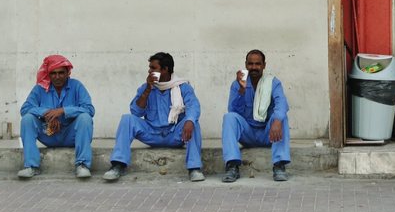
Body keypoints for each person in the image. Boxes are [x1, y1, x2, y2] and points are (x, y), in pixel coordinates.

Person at [103, 52, 203, 182]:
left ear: (165, 69)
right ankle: (118, 165)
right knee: (127, 119)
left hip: (175, 134)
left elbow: (194, 105)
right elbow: (136, 112)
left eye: (153, 68)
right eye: (150, 68)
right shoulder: (145, 88)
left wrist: (189, 120)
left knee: (193, 122)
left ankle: (194, 168)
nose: (149, 71)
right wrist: (147, 90)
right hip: (151, 133)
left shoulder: (183, 87)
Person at [17, 54, 95, 180]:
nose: (57, 77)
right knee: (27, 119)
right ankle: (31, 166)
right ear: (49, 74)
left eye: (61, 73)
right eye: (53, 73)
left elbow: (89, 109)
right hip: (48, 133)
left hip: (70, 135)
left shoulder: (76, 86)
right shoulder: (40, 89)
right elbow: (25, 109)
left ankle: (83, 165)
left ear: (67, 73)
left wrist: (63, 110)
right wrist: (48, 113)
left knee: (85, 118)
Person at [221, 49, 290, 182]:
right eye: (250, 64)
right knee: (229, 117)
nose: (254, 67)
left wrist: (276, 121)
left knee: (281, 117)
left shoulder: (273, 83)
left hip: (268, 134)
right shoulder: (237, 84)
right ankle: (232, 166)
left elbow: (282, 103)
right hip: (248, 134)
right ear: (246, 65)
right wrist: (242, 90)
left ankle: (279, 165)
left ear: (264, 65)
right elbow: (233, 111)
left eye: (257, 64)